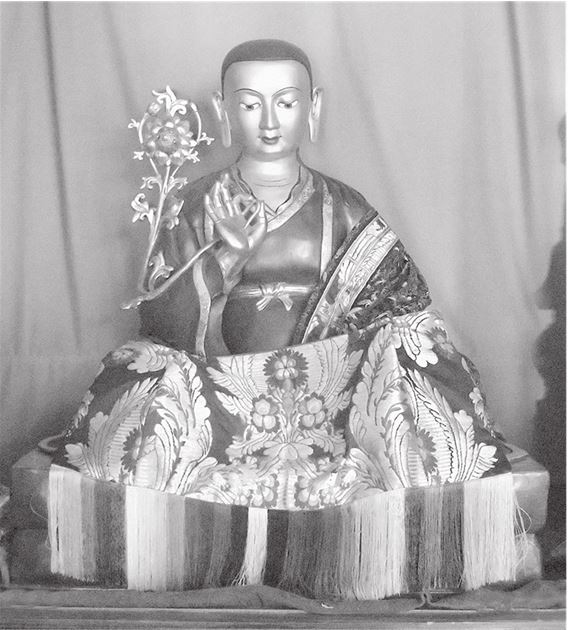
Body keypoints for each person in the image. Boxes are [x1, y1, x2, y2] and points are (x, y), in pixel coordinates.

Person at [49, 40, 519, 599]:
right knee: (153, 372)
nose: (269, 121)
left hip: (332, 395)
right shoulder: (195, 205)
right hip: (220, 391)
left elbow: (400, 305)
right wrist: (224, 262)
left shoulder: (344, 207)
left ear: (313, 106)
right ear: (223, 110)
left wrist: (354, 357)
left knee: (408, 348)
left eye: (287, 102)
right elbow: (163, 325)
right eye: (250, 104)